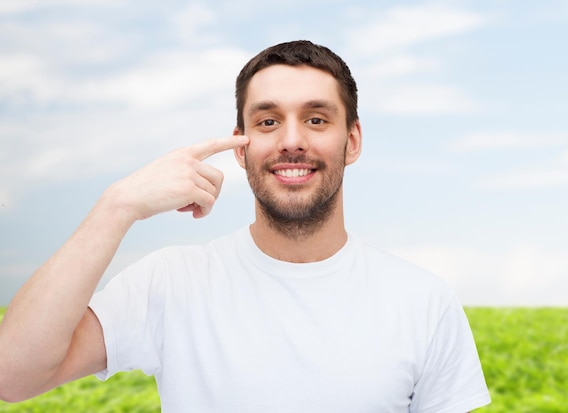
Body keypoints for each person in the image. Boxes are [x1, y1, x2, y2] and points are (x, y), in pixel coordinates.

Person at [0, 40, 491, 412]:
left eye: (317, 120)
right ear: (241, 145)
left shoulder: (423, 301)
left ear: (353, 141)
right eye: (268, 122)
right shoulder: (171, 283)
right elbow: (11, 376)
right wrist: (117, 205)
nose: (291, 141)